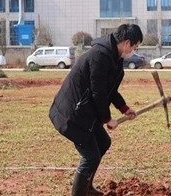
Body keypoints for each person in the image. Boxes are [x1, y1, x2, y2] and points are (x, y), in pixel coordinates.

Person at [49, 24, 143, 195]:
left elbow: (110, 90)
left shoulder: (115, 58)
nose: (134, 51)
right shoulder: (99, 56)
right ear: (127, 43)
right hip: (72, 113)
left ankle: (87, 186)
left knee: (103, 143)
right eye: (135, 47)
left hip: (86, 111)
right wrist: (107, 119)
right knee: (90, 156)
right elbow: (98, 91)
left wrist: (124, 108)